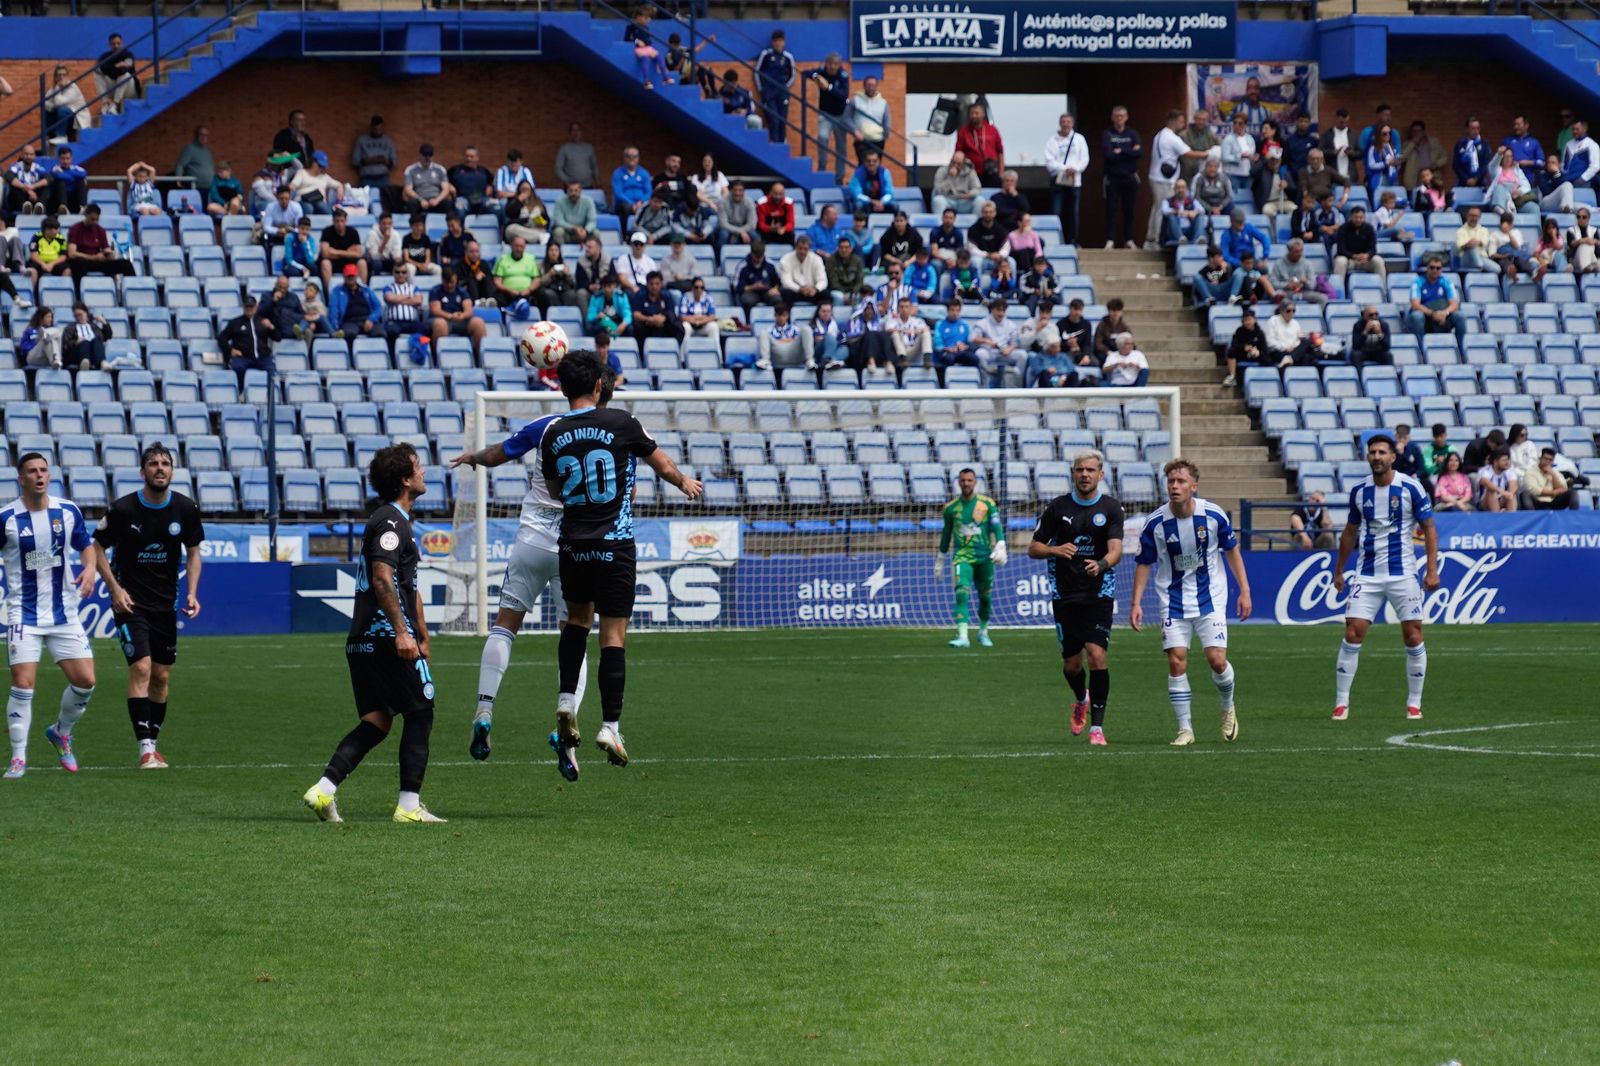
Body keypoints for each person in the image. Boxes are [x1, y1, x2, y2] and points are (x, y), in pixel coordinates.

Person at [540, 355, 703, 775]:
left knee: (576, 622)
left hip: (573, 544)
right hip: (615, 544)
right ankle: (610, 725)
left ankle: (564, 700)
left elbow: (557, 489)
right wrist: (683, 481)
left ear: (562, 387)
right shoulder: (622, 421)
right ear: (598, 385)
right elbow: (660, 461)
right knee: (612, 636)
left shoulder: (552, 433)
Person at [447, 380, 622, 761]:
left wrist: (473, 457)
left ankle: (484, 709)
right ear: (602, 396)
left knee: (504, 626)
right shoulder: (610, 432)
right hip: (578, 544)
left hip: (533, 539)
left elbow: (500, 452)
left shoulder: (547, 425)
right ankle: (568, 730)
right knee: (576, 630)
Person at [302, 443, 442, 824]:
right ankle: (409, 806)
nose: (424, 471)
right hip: (384, 639)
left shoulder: (395, 521)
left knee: (377, 721)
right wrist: (402, 634)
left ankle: (322, 790)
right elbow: (383, 579)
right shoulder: (390, 521)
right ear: (404, 478)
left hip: (365, 640)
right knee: (421, 711)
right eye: (418, 466)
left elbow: (404, 585)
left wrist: (422, 633)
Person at [89, 443, 204, 770]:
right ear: (143, 472)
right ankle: (145, 749)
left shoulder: (185, 508)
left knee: (161, 676)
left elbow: (194, 552)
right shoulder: (124, 510)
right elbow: (96, 548)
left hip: (165, 604)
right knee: (141, 667)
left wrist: (193, 593)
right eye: (153, 463)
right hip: (130, 603)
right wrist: (114, 588)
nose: (159, 468)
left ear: (172, 470)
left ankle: (153, 743)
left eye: (165, 463)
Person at [1130, 459, 1249, 746]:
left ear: (1193, 486)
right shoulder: (1155, 524)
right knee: (1176, 661)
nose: (1175, 486)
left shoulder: (1213, 516)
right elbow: (1144, 563)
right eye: (1171, 481)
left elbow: (1232, 552)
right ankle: (1185, 729)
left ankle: (1227, 706)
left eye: (1181, 481)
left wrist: (1244, 590)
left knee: (1216, 660)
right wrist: (1136, 603)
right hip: (1172, 599)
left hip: (1211, 596)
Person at [2, 453, 100, 780]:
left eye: (44, 470)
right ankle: (18, 759)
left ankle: (61, 732)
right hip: (23, 613)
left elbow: (86, 545)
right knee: (23, 682)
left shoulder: (67, 511)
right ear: (22, 478)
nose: (40, 476)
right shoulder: (6, 518)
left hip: (63, 612)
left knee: (85, 681)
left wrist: (89, 568)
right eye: (32, 471)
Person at [1331, 430, 1439, 722]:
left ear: (1393, 457)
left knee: (1413, 634)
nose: (1377, 457)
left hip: (1403, 573)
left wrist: (1431, 569)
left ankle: (1414, 703)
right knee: (1353, 632)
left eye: (1382, 452)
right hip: (1366, 574)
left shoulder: (1411, 489)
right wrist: (1339, 569)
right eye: (1372, 452)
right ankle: (1341, 702)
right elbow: (1350, 532)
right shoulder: (1359, 491)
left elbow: (1429, 527)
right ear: (1367, 456)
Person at [1029, 449, 1124, 745]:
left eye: (1090, 470)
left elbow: (1116, 550)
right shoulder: (1058, 508)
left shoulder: (1111, 508)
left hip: (1099, 592)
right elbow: (1033, 548)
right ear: (1073, 473)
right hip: (1065, 593)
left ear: (1101, 474)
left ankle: (1097, 728)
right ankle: (1080, 697)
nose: (1085, 475)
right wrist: (1055, 549)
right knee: (1072, 664)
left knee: (1097, 655)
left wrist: (1102, 564)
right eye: (1080, 470)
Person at [937, 469, 1005, 649]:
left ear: (975, 482)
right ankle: (963, 636)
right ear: (958, 483)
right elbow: (946, 533)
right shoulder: (951, 508)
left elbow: (997, 527)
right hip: (962, 557)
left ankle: (983, 632)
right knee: (961, 592)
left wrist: (1001, 544)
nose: (966, 483)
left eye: (969, 480)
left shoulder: (987, 504)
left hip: (984, 557)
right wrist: (940, 558)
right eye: (963, 480)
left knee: (986, 598)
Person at [1147, 109, 1201, 249]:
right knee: (1162, 210)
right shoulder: (1171, 138)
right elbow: (1189, 153)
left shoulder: (1160, 134)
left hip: (1157, 177)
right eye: (1181, 121)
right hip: (1164, 180)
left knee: (1157, 208)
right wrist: (1209, 153)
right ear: (1174, 121)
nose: (1183, 124)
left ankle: (1151, 238)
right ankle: (1156, 240)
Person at [1101, 106, 1142, 249]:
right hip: (1112, 178)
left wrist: (1120, 150)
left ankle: (1129, 239)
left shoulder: (1132, 133)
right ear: (1112, 118)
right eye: (1116, 116)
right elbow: (1108, 154)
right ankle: (1110, 240)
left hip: (1130, 177)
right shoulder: (1107, 134)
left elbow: (1139, 153)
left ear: (1126, 117)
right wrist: (1129, 151)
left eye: (1122, 116)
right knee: (1111, 210)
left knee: (1129, 210)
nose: (1119, 118)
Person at [1044, 113, 1088, 244]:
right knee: (1056, 212)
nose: (1066, 124)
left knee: (1073, 213)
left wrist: (1075, 168)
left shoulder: (1079, 139)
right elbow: (1049, 161)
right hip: (1058, 180)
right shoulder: (1052, 140)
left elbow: (1085, 159)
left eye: (1068, 122)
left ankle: (1072, 241)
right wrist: (1064, 168)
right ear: (1060, 123)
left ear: (1072, 124)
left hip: (1074, 181)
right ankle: (1055, 241)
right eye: (1063, 121)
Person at [808, 53, 852, 184]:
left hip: (840, 115)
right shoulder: (822, 71)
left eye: (835, 64)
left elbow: (843, 95)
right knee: (822, 138)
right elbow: (807, 73)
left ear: (839, 65)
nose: (832, 67)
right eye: (830, 64)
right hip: (825, 114)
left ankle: (839, 177)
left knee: (841, 147)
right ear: (826, 63)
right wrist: (816, 77)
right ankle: (822, 170)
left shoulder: (843, 76)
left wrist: (828, 87)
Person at [1406, 256, 1465, 343]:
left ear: (1441, 270)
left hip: (1443, 316)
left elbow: (1454, 304)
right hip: (1426, 316)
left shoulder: (1446, 282)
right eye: (1432, 267)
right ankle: (1420, 348)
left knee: (1460, 316)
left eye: (1438, 268)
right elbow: (1415, 305)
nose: (1435, 270)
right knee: (1417, 316)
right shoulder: (1417, 282)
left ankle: (1460, 349)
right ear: (1427, 269)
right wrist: (1432, 314)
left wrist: (1444, 313)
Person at [218, 295, 273, 386]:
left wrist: (271, 327)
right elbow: (221, 338)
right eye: (247, 306)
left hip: (263, 357)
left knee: (271, 370)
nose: (249, 309)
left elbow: (277, 337)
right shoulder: (235, 323)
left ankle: (271, 397)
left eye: (251, 306)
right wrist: (230, 350)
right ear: (243, 307)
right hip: (243, 357)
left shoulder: (263, 322)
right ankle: (240, 392)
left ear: (256, 307)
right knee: (238, 367)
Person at [429, 267, 485, 355]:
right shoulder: (435, 291)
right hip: (444, 319)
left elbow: (469, 310)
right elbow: (435, 310)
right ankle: (439, 357)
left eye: (452, 282)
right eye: (447, 282)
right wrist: (450, 316)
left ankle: (480, 356)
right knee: (440, 324)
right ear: (442, 280)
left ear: (456, 279)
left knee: (478, 323)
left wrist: (462, 315)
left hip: (460, 320)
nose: (449, 285)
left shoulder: (462, 291)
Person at [754, 29, 796, 144]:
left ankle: (782, 145)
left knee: (782, 121)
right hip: (768, 92)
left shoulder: (788, 57)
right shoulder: (766, 54)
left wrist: (785, 87)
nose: (778, 43)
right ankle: (774, 144)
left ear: (784, 42)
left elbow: (793, 75)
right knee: (774, 120)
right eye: (776, 41)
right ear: (773, 42)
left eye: (780, 41)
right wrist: (761, 89)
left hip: (782, 93)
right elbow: (757, 71)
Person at [970, 297, 1021, 387]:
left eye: (1003, 310)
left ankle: (1020, 386)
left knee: (1022, 355)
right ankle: (984, 384)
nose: (1001, 313)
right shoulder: (982, 323)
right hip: (989, 352)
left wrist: (1009, 349)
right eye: (998, 310)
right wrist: (987, 341)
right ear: (992, 310)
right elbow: (973, 338)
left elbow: (1014, 343)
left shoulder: (1011, 325)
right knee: (980, 353)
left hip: (1005, 353)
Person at [351, 115, 397, 205]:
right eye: (375, 129)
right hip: (367, 177)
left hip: (383, 177)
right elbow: (355, 161)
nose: (377, 131)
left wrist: (383, 160)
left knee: (384, 201)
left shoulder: (388, 141)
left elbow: (394, 162)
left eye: (380, 129)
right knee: (366, 201)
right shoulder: (362, 140)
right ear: (371, 127)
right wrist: (371, 160)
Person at [329, 265, 381, 344]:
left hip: (367, 319)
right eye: (348, 276)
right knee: (349, 334)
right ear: (344, 277)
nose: (350, 278)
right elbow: (334, 309)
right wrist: (335, 327)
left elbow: (378, 307)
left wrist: (371, 319)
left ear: (356, 276)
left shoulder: (366, 290)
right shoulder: (337, 291)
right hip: (349, 321)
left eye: (352, 276)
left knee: (380, 333)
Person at [1269, 238, 1328, 307]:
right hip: (1286, 292)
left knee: (1323, 298)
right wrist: (1287, 285)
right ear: (1289, 251)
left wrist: (1305, 282)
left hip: (1304, 292)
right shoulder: (1278, 264)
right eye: (1296, 251)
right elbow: (1273, 283)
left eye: (1301, 251)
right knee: (1277, 295)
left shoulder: (1307, 264)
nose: (1299, 254)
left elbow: (1312, 285)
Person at [955, 103, 1005, 183]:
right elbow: (958, 152)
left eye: (976, 113)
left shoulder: (992, 130)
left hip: (991, 172)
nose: (974, 116)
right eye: (972, 113)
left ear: (983, 114)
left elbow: (1000, 152)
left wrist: (1001, 172)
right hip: (971, 173)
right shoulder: (963, 132)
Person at [755, 303, 813, 371]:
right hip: (777, 354)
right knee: (763, 333)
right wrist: (788, 340)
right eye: (779, 316)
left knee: (806, 329)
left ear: (788, 316)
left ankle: (810, 360)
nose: (781, 318)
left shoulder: (795, 329)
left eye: (784, 315)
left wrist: (781, 341)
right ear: (775, 316)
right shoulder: (769, 330)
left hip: (794, 353)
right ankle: (765, 361)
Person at [1222, 305, 1266, 388]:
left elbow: (1264, 349)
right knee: (1231, 352)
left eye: (1249, 320)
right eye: (1245, 320)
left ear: (1254, 320)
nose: (1247, 322)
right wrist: (1244, 348)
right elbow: (1234, 345)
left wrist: (1258, 353)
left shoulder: (1260, 333)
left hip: (1256, 357)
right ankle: (1232, 376)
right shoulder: (1239, 331)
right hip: (1242, 354)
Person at [847, 75, 890, 162]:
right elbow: (846, 118)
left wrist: (886, 134)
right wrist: (855, 131)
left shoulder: (883, 103)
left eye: (873, 85)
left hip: (878, 140)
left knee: (876, 168)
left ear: (876, 86)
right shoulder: (855, 100)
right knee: (864, 166)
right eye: (868, 85)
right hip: (861, 140)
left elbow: (887, 121)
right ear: (864, 86)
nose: (871, 88)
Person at [97, 33, 141, 113]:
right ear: (109, 45)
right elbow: (99, 69)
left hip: (130, 90)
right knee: (96, 72)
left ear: (122, 43)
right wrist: (117, 66)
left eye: (118, 43)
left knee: (125, 75)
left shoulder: (128, 54)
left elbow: (124, 69)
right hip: (115, 86)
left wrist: (110, 67)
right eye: (113, 44)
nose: (116, 46)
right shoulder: (105, 56)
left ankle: (115, 105)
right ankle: (105, 102)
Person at [778, 235, 827, 305]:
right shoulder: (785, 259)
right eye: (800, 248)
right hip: (795, 292)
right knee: (786, 293)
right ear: (795, 248)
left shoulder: (817, 259)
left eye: (805, 249)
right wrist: (799, 289)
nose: (802, 252)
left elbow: (822, 280)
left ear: (809, 249)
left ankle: (819, 315)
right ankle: (787, 315)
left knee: (825, 294)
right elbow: (786, 281)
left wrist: (816, 289)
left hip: (812, 292)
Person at [60, 302, 111, 371]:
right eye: (76, 316)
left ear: (86, 313)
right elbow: (65, 345)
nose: (78, 317)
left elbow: (107, 336)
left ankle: (102, 362)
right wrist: (75, 342)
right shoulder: (69, 328)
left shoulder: (94, 327)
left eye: (80, 315)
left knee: (96, 340)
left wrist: (104, 323)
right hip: (77, 354)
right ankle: (84, 363)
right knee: (85, 342)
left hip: (93, 353)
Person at [931, 152, 982, 219]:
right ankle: (941, 226)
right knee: (938, 200)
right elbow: (938, 191)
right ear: (951, 160)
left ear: (963, 163)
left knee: (980, 200)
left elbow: (977, 189)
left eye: (959, 164)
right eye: (953, 162)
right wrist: (950, 178)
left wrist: (970, 194)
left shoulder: (970, 172)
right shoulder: (942, 171)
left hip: (965, 201)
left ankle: (976, 227)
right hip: (948, 200)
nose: (955, 166)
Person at [735, 241, 781, 315]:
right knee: (747, 301)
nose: (759, 259)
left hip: (767, 291)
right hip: (750, 292)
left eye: (761, 256)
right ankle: (748, 323)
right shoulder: (743, 266)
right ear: (752, 254)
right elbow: (737, 287)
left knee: (777, 299)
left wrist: (775, 288)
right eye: (756, 257)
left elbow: (778, 281)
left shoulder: (770, 264)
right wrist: (753, 287)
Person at [554, 123, 600, 189]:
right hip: (571, 188)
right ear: (570, 133)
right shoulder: (564, 149)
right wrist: (567, 182)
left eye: (578, 130)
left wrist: (598, 183)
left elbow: (594, 167)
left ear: (581, 132)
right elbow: (558, 169)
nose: (576, 132)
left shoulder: (589, 148)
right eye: (573, 130)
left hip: (588, 186)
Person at [550, 182, 597, 246]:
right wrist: (574, 228)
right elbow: (558, 221)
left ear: (580, 191)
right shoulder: (560, 202)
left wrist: (586, 231)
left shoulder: (588, 201)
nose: (573, 193)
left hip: (583, 232)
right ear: (567, 191)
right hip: (567, 232)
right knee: (558, 231)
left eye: (576, 191)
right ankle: (560, 253)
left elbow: (592, 221)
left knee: (596, 233)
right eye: (571, 191)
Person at [1160, 179, 1204, 246]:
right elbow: (1165, 210)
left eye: (1183, 187)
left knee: (1200, 216)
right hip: (1173, 232)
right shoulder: (1167, 201)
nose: (1181, 190)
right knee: (1171, 216)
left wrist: (1194, 212)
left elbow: (1202, 210)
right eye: (1178, 187)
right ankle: (1180, 238)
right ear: (1174, 189)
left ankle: (1199, 238)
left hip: (1188, 231)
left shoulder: (1192, 201)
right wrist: (1179, 212)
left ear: (1186, 189)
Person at [1349, 304, 1392, 368]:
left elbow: (1387, 346)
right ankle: (1359, 376)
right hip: (1363, 351)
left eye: (1376, 314)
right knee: (1355, 355)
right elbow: (1355, 346)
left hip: (1377, 352)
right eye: (1371, 315)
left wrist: (1379, 334)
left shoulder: (1384, 325)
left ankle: (1389, 375)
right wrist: (1365, 332)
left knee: (1388, 355)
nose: (1374, 317)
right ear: (1364, 316)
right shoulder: (1358, 325)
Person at [1476, 448, 1519, 512]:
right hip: (1485, 502)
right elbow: (1485, 481)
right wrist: (1501, 491)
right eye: (1504, 460)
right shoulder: (1485, 470)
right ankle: (1496, 518)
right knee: (1491, 491)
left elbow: (1514, 484)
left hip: (1503, 499)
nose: (1507, 463)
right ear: (1495, 462)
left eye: (1508, 460)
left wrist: (1510, 493)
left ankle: (1511, 518)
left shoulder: (1509, 470)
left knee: (1512, 496)